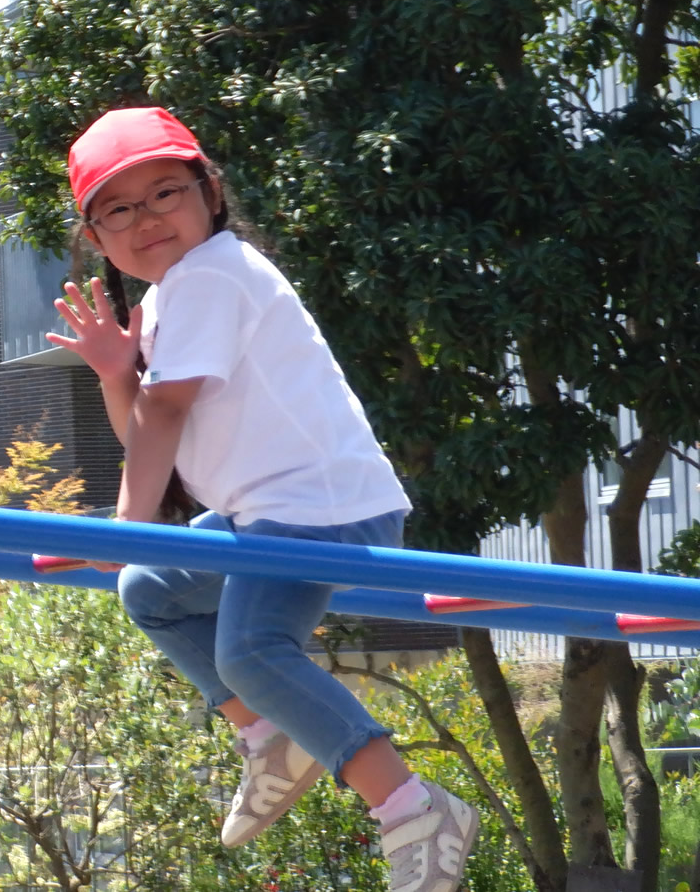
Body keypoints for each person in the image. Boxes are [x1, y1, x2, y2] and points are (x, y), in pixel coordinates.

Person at [47, 106, 478, 892]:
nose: (146, 218)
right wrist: (119, 374)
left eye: (164, 192)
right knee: (150, 589)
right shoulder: (180, 293)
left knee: (247, 647)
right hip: (272, 509)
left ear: (209, 193)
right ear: (96, 237)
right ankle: (272, 735)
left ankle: (415, 806)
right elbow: (154, 427)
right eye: (119, 208)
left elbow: (164, 418)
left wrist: (128, 525)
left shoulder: (212, 271)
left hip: (319, 503)